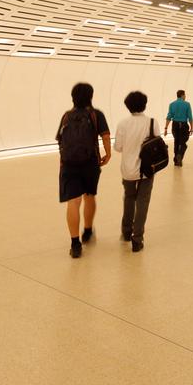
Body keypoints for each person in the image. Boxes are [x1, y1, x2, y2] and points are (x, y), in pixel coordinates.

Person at [56, 82, 111, 258]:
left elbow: (60, 140)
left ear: (73, 97)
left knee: (73, 202)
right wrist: (107, 154)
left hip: (68, 164)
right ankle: (87, 231)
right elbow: (105, 135)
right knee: (89, 196)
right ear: (91, 96)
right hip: (90, 163)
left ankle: (75, 244)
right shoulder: (96, 114)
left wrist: (63, 163)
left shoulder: (66, 116)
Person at [114, 91, 157, 253]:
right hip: (147, 170)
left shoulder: (123, 124)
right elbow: (157, 144)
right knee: (143, 202)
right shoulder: (152, 123)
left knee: (129, 198)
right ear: (144, 104)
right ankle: (137, 239)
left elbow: (118, 147)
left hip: (128, 169)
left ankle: (126, 231)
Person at [164, 90, 193, 167]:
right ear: (182, 95)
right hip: (183, 125)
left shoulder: (172, 104)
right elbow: (190, 117)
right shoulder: (187, 104)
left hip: (175, 125)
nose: (185, 96)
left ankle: (176, 161)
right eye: (185, 95)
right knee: (183, 143)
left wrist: (166, 128)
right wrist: (191, 128)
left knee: (176, 142)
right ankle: (179, 155)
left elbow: (169, 117)